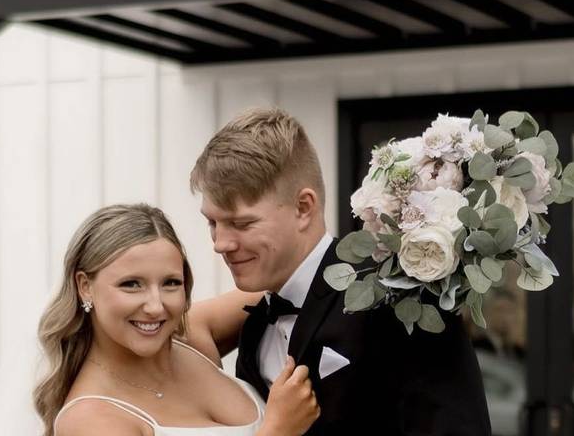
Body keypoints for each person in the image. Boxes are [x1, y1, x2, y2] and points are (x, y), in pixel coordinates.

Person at [190, 108, 492, 435]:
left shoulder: (397, 299)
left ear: (303, 208)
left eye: (241, 223)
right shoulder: (254, 327)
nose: (220, 243)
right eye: (212, 222)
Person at [34, 203, 320, 436]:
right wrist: (279, 430)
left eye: (170, 283)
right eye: (132, 284)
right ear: (85, 286)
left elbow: (298, 277)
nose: (156, 307)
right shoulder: (89, 420)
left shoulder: (192, 333)